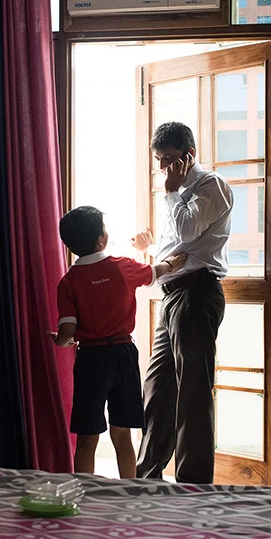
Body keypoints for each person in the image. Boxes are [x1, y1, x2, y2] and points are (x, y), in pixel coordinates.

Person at [51, 205, 186, 478]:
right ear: (102, 239)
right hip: (124, 355)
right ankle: (130, 493)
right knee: (123, 433)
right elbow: (155, 271)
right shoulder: (123, 267)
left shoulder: (68, 282)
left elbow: (67, 331)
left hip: (90, 359)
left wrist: (61, 341)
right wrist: (174, 262)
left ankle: (85, 491)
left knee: (88, 436)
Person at [132, 121, 233, 484]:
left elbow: (189, 231)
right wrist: (150, 250)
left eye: (170, 159)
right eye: (159, 160)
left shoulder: (212, 185)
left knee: (192, 391)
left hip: (197, 294)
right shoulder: (175, 189)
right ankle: (147, 479)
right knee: (157, 389)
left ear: (189, 156)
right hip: (172, 296)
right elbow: (178, 246)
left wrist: (172, 193)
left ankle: (193, 486)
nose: (164, 168)